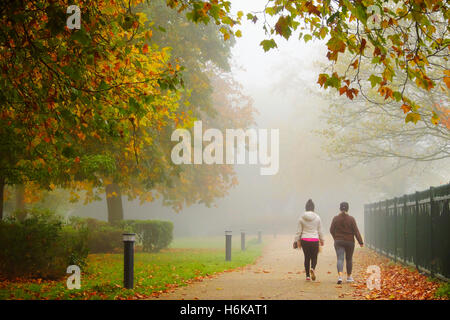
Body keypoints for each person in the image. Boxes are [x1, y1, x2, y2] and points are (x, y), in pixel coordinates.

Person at [329, 202, 364, 284]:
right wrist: (360, 242)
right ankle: (348, 277)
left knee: (340, 258)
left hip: (339, 241)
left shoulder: (335, 218)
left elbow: (331, 230)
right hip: (350, 242)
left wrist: (336, 238)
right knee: (349, 259)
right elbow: (356, 231)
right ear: (348, 208)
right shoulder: (351, 219)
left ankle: (340, 276)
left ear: (340, 208)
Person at [295, 199, 325, 281]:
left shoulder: (301, 218)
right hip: (314, 239)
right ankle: (313, 268)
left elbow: (299, 231)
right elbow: (320, 230)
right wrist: (322, 239)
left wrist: (297, 240)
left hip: (304, 239)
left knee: (307, 257)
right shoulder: (318, 217)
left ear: (306, 207)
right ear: (313, 208)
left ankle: (307, 276)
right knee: (314, 257)